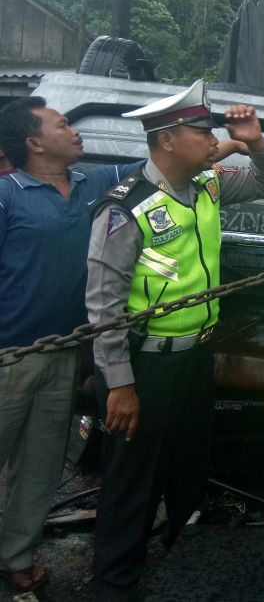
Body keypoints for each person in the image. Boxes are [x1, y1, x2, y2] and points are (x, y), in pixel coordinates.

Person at [87, 80, 264, 600]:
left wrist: (255, 141)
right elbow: (103, 309)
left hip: (196, 357)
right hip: (145, 368)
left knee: (188, 471)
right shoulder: (125, 209)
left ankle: (186, 563)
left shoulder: (209, 186)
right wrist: (119, 384)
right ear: (168, 139)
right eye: (202, 131)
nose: (212, 139)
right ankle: (114, 584)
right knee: (131, 483)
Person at [0, 97, 146, 595]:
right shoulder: (7, 196)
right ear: (34, 143)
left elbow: (153, 166)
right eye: (63, 126)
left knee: (41, 466)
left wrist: (233, 145)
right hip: (7, 358)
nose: (75, 132)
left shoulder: (94, 184)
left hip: (64, 353)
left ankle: (16, 558)